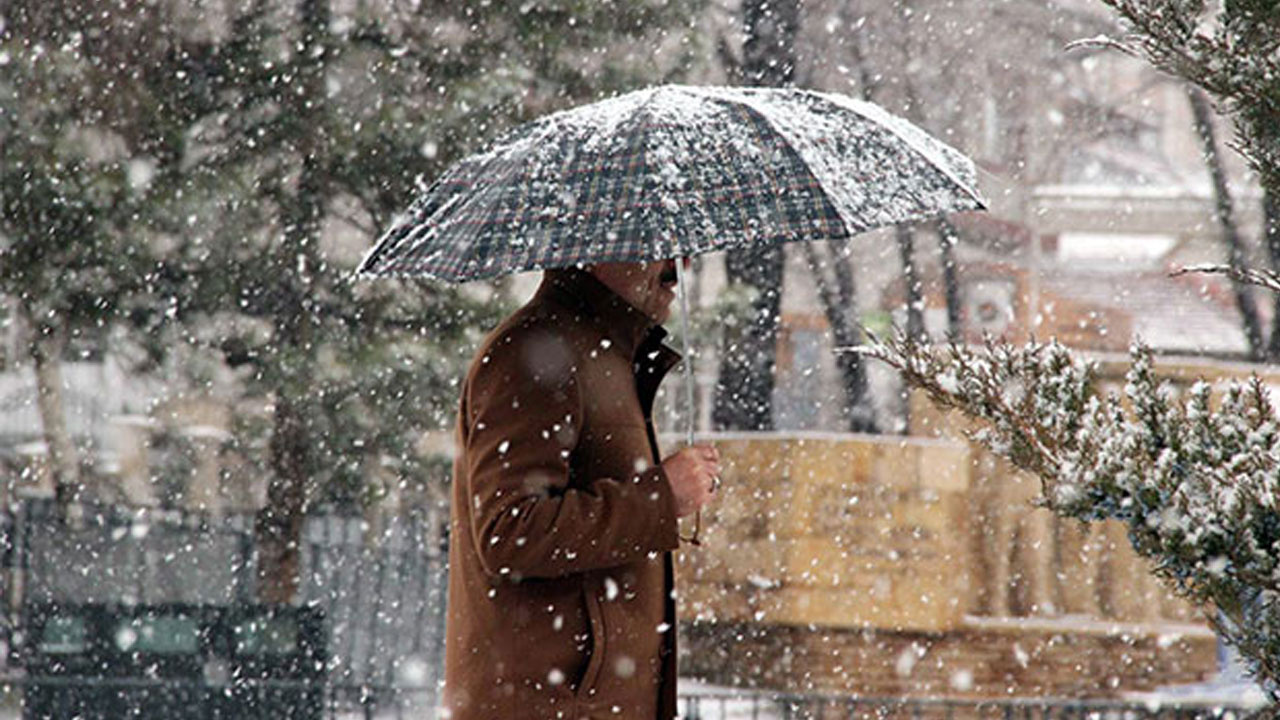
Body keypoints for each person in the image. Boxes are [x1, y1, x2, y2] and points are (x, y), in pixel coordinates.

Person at [442, 259, 721, 719]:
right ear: (601, 248)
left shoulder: (602, 353)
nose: (681, 266)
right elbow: (509, 532)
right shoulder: (535, 351)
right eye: (659, 246)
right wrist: (661, 498)